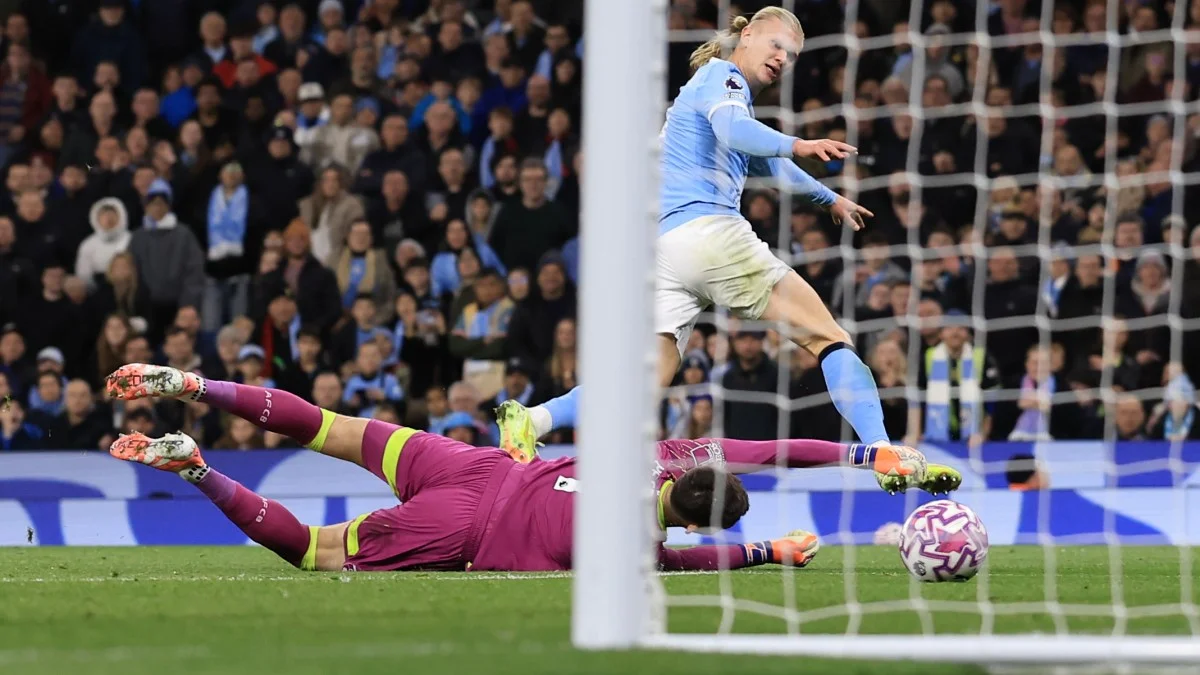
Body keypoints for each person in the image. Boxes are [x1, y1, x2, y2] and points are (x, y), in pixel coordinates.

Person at [497, 8, 899, 464]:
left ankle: (534, 419)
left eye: (791, 56)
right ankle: (883, 450)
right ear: (747, 36)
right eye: (776, 46)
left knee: (642, 381)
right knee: (828, 336)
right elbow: (738, 131)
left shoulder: (725, 98)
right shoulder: (721, 78)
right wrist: (798, 143)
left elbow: (771, 165)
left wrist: (831, 199)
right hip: (708, 234)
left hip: (665, 251)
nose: (782, 59)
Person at [104, 363, 956, 572]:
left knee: (330, 426)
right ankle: (200, 470)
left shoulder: (660, 452)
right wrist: (769, 551)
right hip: (469, 527)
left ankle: (198, 386)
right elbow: (702, 558)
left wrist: (865, 452)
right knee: (313, 550)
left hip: (479, 467)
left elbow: (769, 452)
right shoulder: (632, 553)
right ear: (688, 518)